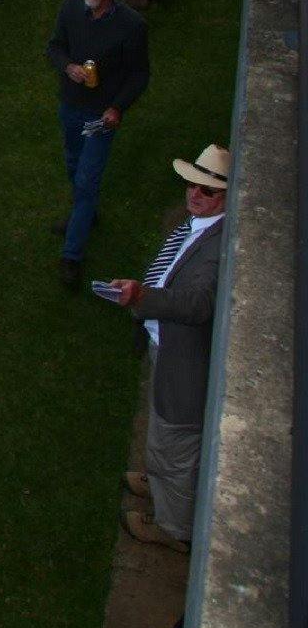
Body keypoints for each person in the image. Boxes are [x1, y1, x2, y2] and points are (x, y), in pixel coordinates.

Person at [107, 144, 230, 552]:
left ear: (227, 197)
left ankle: (173, 528)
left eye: (207, 190)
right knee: (163, 431)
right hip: (169, 349)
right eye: (192, 185)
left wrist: (143, 298)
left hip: (185, 363)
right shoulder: (203, 225)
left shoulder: (218, 246)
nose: (194, 194)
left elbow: (197, 304)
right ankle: (156, 478)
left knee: (176, 443)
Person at [46, 0, 150, 284]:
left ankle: (71, 254)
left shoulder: (131, 25)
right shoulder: (70, 7)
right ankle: (85, 213)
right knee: (74, 166)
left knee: (87, 179)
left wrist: (117, 108)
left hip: (101, 114)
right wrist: (68, 67)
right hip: (71, 104)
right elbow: (55, 47)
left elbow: (139, 75)